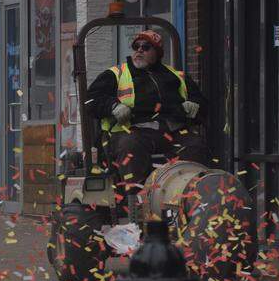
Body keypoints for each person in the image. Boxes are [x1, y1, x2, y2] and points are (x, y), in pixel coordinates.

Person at [85, 29, 208, 216]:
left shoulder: (177, 77)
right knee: (132, 147)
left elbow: (203, 105)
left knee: (195, 145)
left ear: (157, 53)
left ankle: (193, 202)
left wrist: (195, 106)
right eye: (136, 46)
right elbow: (91, 101)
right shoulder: (116, 74)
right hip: (129, 131)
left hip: (171, 131)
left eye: (146, 47)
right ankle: (137, 208)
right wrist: (113, 107)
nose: (139, 50)